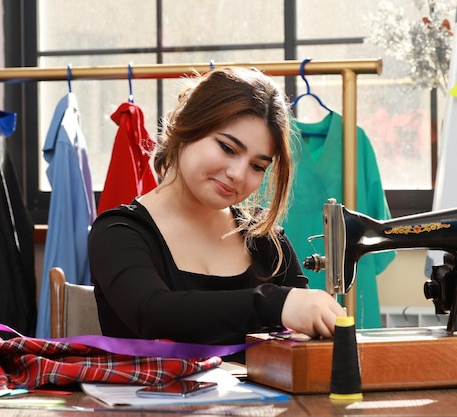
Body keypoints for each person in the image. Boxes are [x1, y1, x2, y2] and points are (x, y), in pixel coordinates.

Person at [88, 67, 346, 356]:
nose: (237, 173)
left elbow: (304, 342)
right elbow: (151, 312)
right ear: (188, 124)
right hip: (151, 401)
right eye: (227, 148)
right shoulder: (118, 232)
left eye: (257, 166)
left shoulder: (265, 239)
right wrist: (275, 304)